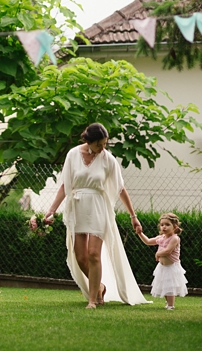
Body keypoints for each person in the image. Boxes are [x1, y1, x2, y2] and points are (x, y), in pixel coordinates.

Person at [44, 123, 151, 308]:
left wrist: (133, 216)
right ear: (88, 141)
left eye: (104, 144)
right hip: (77, 207)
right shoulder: (72, 155)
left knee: (94, 254)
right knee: (81, 258)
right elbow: (65, 185)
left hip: (98, 207)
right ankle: (100, 287)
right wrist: (51, 210)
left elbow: (120, 188)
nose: (102, 148)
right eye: (99, 144)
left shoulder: (108, 159)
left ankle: (93, 300)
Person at [137, 213, 188, 309]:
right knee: (164, 285)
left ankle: (171, 305)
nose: (164, 227)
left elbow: (168, 251)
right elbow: (148, 241)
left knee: (170, 286)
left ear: (175, 227)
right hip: (162, 266)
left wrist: (158, 254)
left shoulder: (175, 238)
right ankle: (167, 302)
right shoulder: (161, 238)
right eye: (162, 225)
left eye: (167, 224)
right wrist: (140, 233)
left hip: (171, 266)